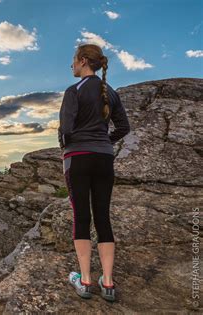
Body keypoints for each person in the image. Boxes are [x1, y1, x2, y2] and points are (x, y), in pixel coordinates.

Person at [58, 43, 131, 302]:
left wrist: (68, 146)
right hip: (104, 158)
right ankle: (108, 283)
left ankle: (86, 280)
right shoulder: (109, 92)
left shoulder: (73, 91)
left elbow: (66, 128)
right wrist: (103, 141)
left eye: (74, 60)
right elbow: (124, 127)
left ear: (83, 61)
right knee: (103, 215)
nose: (72, 65)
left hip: (78, 157)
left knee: (81, 216)